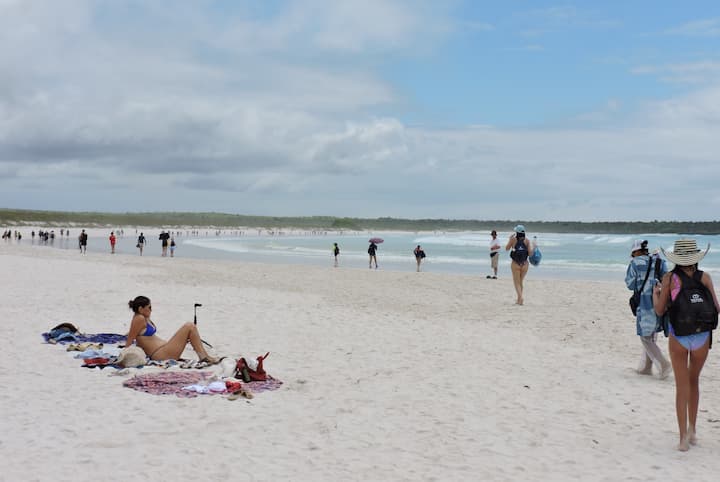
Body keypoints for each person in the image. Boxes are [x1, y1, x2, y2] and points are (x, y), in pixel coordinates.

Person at [653, 239, 719, 451]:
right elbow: (716, 308)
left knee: (682, 387)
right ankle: (693, 431)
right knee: (694, 382)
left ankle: (682, 439)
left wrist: (656, 295)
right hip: (702, 337)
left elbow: (660, 311)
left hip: (678, 337)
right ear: (696, 258)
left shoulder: (669, 278)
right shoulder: (705, 277)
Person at [125, 296, 220, 363]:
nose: (151, 309)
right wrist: (125, 356)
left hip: (163, 350)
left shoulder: (143, 317)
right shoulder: (139, 319)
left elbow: (137, 336)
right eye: (149, 307)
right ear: (141, 309)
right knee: (189, 326)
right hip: (160, 355)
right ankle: (204, 357)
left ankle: (204, 357)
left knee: (190, 328)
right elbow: (130, 339)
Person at [625, 239, 671, 378]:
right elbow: (666, 279)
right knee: (651, 334)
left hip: (645, 302)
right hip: (659, 300)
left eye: (633, 254)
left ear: (636, 252)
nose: (633, 257)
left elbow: (630, 284)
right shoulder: (659, 261)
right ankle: (646, 367)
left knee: (645, 336)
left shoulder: (635, 263)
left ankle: (663, 364)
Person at [505, 225, 533, 305]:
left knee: (516, 282)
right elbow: (530, 254)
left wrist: (509, 240)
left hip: (515, 264)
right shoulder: (527, 241)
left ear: (517, 232)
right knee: (520, 282)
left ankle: (520, 298)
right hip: (525, 264)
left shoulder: (513, 239)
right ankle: (518, 299)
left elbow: (507, 248)